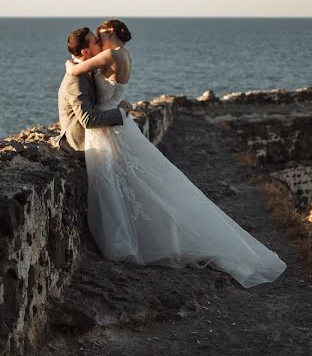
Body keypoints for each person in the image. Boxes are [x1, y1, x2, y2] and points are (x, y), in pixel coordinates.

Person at [64, 19, 286, 288]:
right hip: (117, 129)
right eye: (94, 39)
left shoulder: (110, 55)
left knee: (124, 184)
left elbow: (74, 71)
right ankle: (137, 235)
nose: (98, 42)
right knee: (137, 184)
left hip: (111, 131)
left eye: (99, 36)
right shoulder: (120, 54)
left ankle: (129, 240)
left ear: (109, 33)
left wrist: (70, 63)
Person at [55, 27, 126, 155]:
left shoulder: (89, 70)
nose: (100, 43)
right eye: (96, 41)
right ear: (85, 51)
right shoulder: (75, 79)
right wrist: (121, 113)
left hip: (96, 136)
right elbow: (87, 120)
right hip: (79, 145)